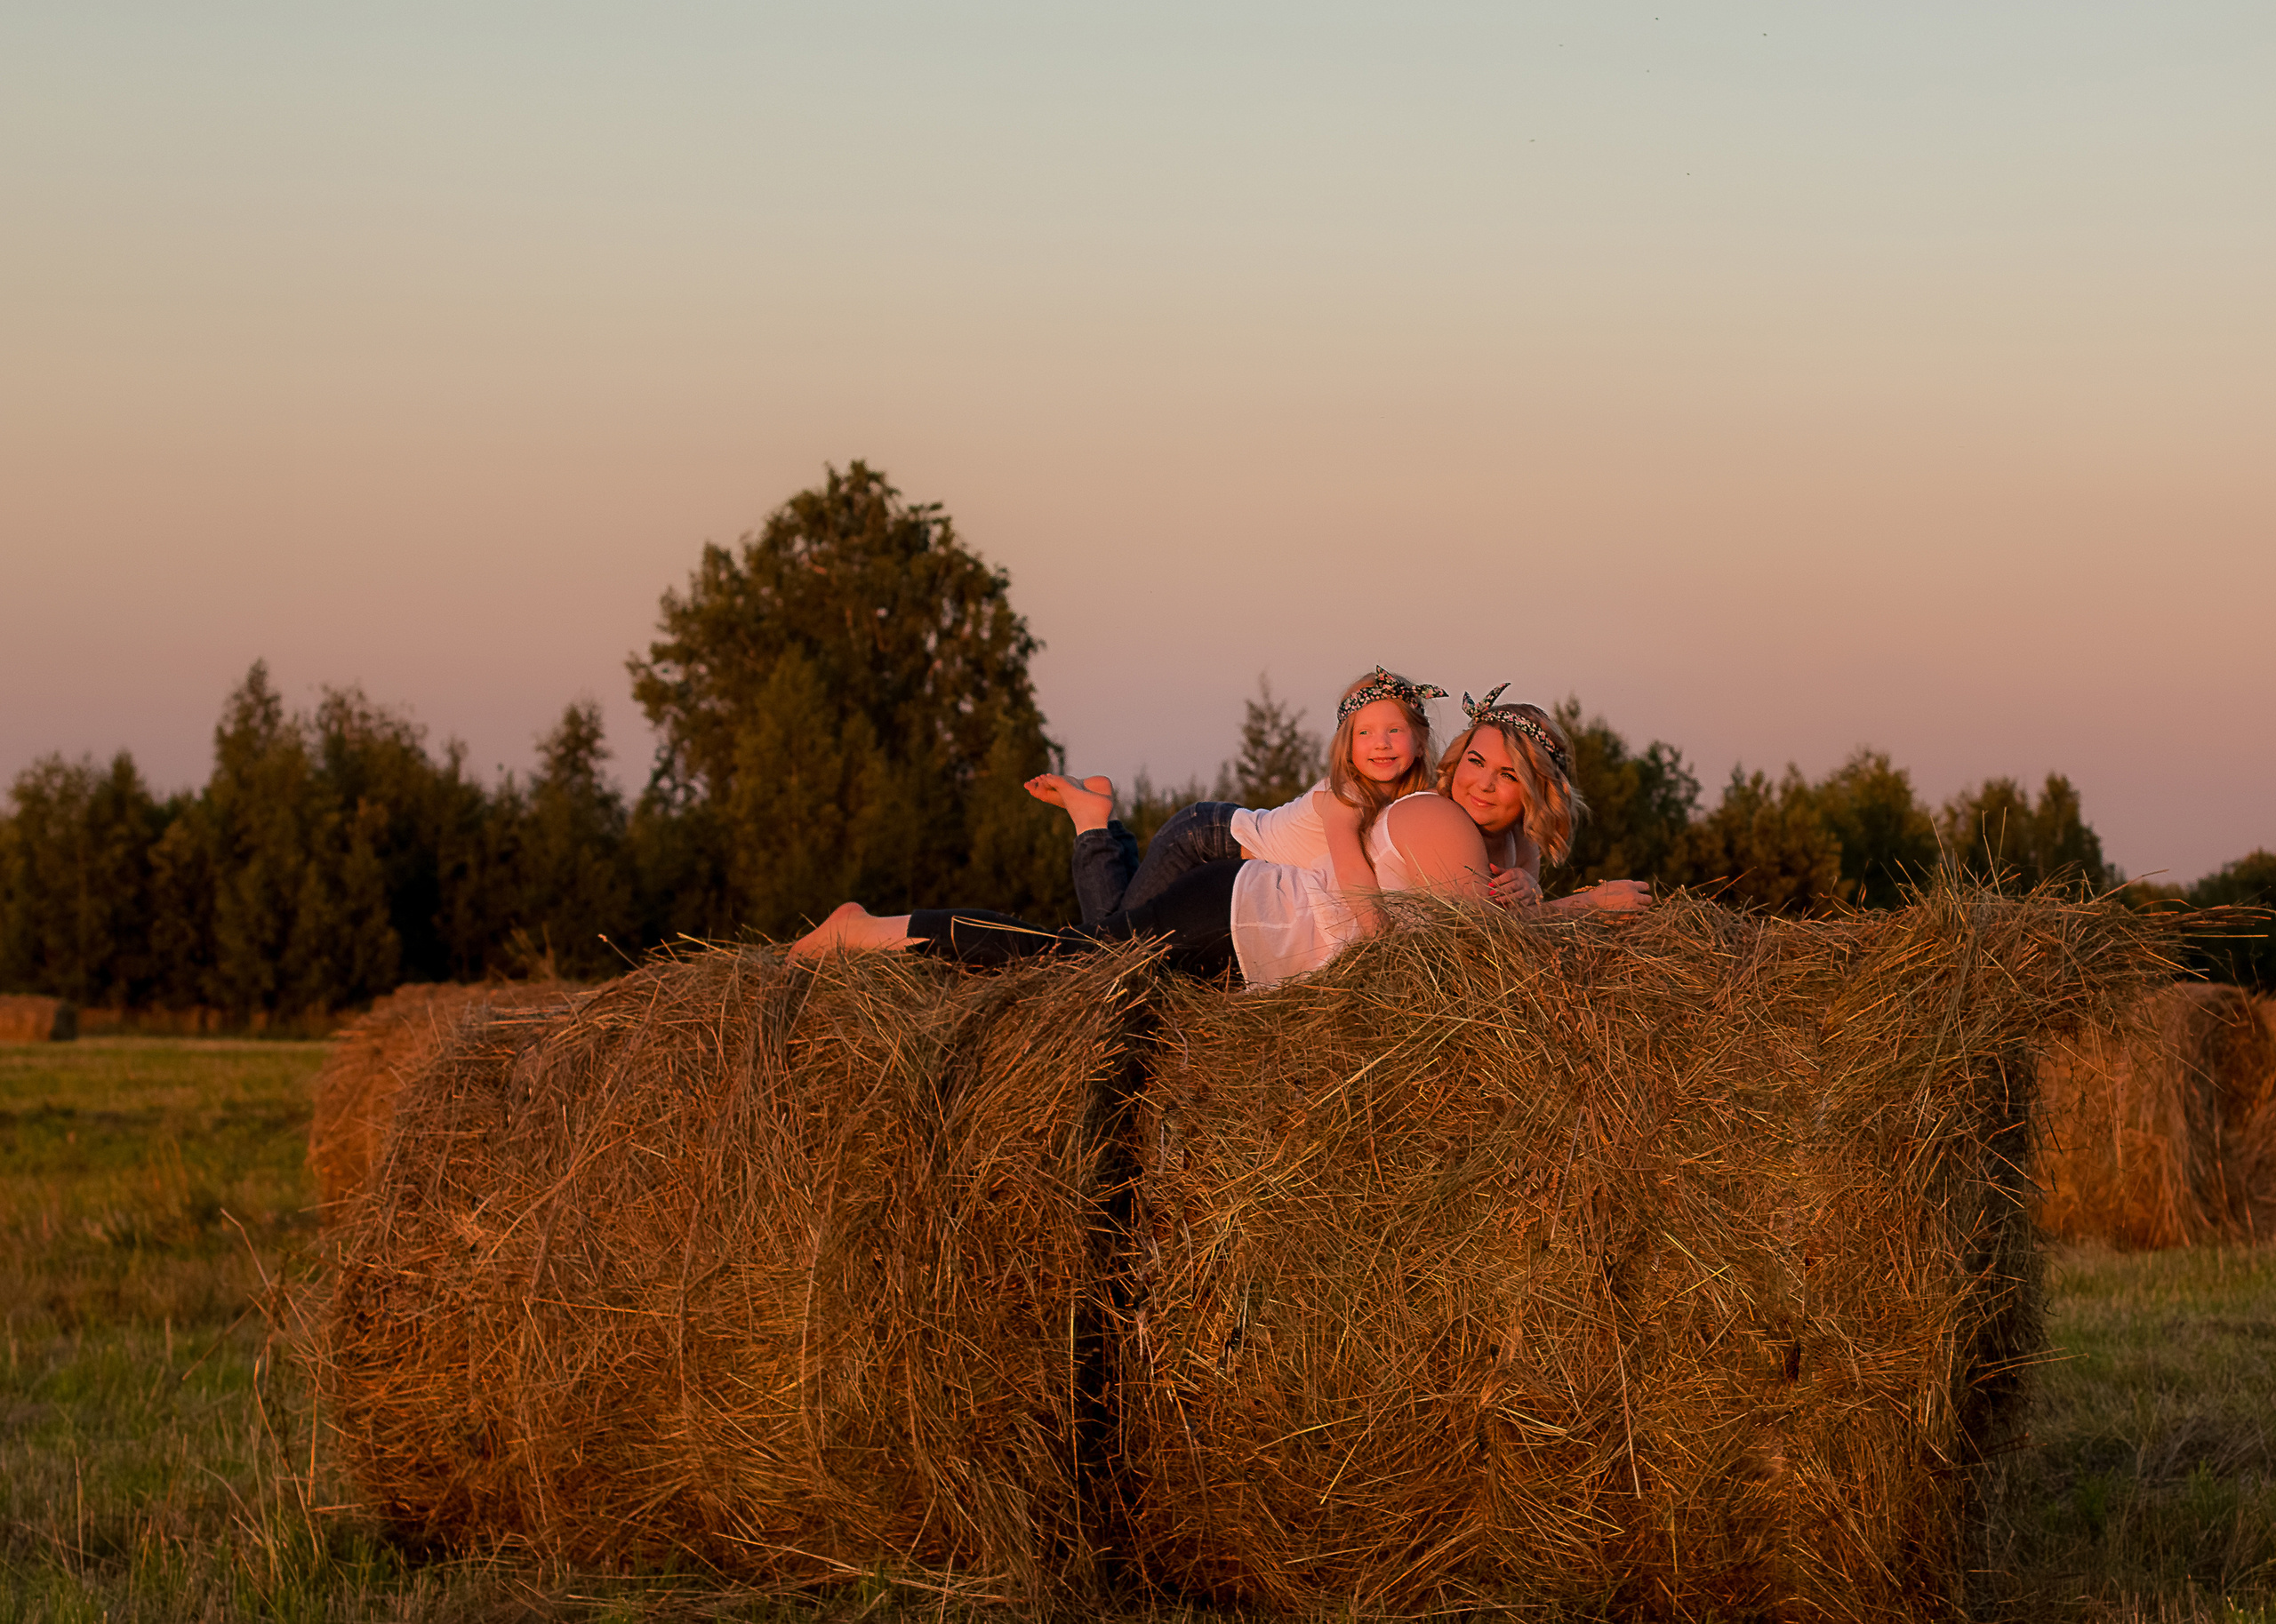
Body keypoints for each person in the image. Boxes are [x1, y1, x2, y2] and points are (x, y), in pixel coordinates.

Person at [1023, 666, 1442, 928]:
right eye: (1364, 733)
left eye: (1394, 731)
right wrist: (1380, 941)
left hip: (1222, 840)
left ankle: (1110, 829)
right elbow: (1352, 873)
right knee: (1115, 945)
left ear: (1420, 742)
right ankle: (1092, 825)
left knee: (1127, 918)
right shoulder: (1346, 795)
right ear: (1346, 746)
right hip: (1203, 843)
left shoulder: (1418, 801)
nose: (1381, 744)